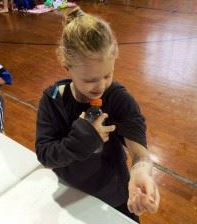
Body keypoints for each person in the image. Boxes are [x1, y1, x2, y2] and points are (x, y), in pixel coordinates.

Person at [35, 7, 160, 223]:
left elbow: (140, 155)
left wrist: (142, 173)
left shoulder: (119, 99)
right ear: (67, 67)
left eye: (107, 75)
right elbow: (45, 155)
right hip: (73, 195)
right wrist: (79, 142)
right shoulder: (53, 99)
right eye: (89, 80)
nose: (100, 85)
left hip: (115, 197)